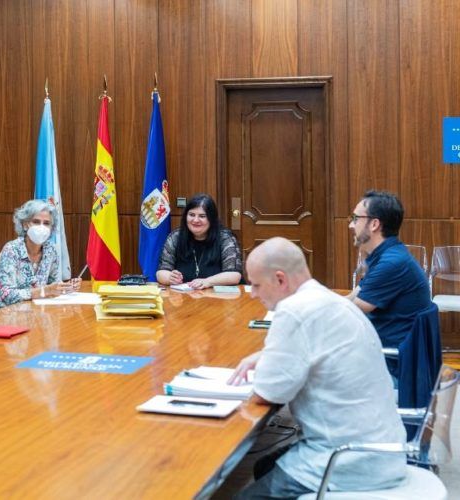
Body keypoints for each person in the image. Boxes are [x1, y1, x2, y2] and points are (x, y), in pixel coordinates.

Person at [229, 238, 406, 498]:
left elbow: (269, 392)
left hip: (348, 459)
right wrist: (268, 355)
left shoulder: (293, 310)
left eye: (256, 285)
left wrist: (268, 363)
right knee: (264, 465)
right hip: (385, 447)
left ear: (280, 280)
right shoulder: (327, 298)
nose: (253, 294)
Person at [347, 190, 432, 348]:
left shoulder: (392, 263)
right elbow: (352, 297)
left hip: (389, 362)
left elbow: (350, 313)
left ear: (374, 224)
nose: (350, 225)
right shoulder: (387, 255)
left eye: (355, 218)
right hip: (376, 349)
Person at [0, 199, 79, 313]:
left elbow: (52, 286)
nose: (41, 227)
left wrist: (66, 287)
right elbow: (6, 294)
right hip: (2, 314)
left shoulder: (51, 250)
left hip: (34, 313)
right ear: (25, 224)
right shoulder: (11, 250)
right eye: (36, 221)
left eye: (46, 223)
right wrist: (43, 291)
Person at [155, 193, 242, 289]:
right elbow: (161, 273)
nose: (195, 220)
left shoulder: (225, 238)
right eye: (191, 215)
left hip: (216, 298)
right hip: (183, 298)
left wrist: (207, 282)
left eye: (202, 216)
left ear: (211, 219)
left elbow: (234, 275)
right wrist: (170, 277)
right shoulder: (175, 237)